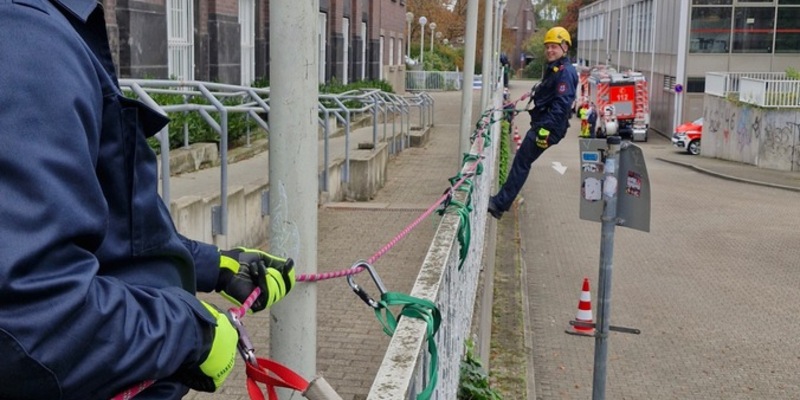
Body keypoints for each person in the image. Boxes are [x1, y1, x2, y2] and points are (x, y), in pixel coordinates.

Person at [0, 3, 295, 400]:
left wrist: (218, 266)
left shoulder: (46, 27)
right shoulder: (26, 38)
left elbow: (111, 227)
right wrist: (194, 333)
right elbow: (31, 318)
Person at [487, 27, 578, 219]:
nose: (549, 50)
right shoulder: (556, 69)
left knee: (522, 162)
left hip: (548, 127)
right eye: (547, 47)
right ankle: (500, 202)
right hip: (544, 124)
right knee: (522, 161)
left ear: (564, 47)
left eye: (554, 46)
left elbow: (562, 106)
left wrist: (544, 130)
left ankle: (499, 204)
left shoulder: (565, 73)